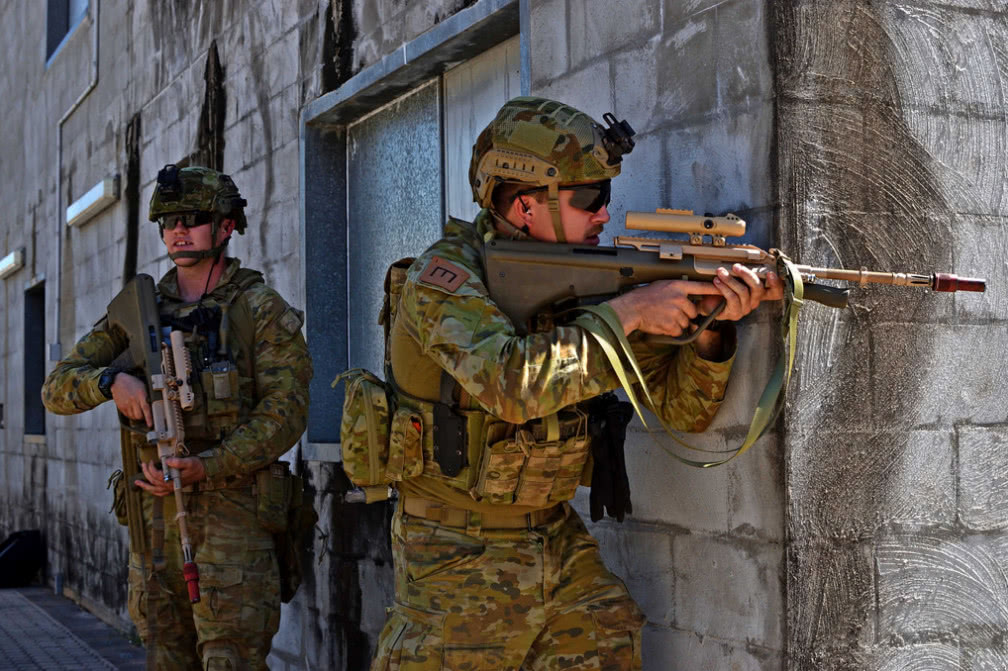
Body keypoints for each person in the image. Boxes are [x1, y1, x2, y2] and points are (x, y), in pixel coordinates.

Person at [367, 97, 783, 670]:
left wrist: (713, 328)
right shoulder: (444, 279)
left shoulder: (589, 280)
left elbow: (682, 411)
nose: (604, 215)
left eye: (605, 197)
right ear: (524, 206)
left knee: (607, 636)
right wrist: (632, 314)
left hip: (554, 537)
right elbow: (511, 384)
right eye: (590, 199)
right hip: (454, 552)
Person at [41, 165, 313, 670]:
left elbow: (287, 412)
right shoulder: (138, 310)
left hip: (234, 525)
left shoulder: (259, 309)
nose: (177, 231)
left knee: (230, 659)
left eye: (191, 218)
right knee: (165, 658)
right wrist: (110, 383)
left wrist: (210, 464)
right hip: (157, 530)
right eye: (167, 222)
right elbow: (57, 388)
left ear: (227, 226)